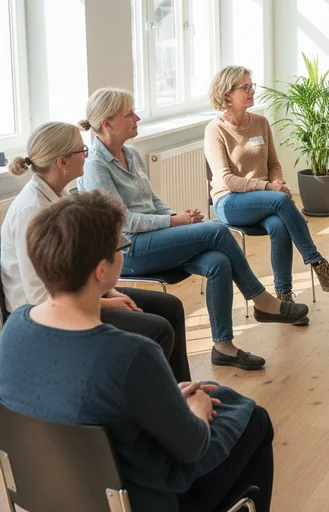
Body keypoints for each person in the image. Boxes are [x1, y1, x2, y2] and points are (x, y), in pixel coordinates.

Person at [0, 191, 274, 512]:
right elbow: (192, 447)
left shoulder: (14, 329)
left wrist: (168, 399)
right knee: (253, 418)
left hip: (51, 492)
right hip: (142, 500)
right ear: (101, 270)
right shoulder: (130, 353)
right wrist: (196, 410)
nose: (124, 253)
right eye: (122, 247)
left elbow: (79, 403)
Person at [78, 88, 308, 371]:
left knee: (217, 261)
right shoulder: (95, 166)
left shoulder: (131, 153)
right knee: (217, 232)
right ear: (107, 123)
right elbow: (121, 222)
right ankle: (261, 300)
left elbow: (152, 201)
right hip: (128, 249)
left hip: (156, 237)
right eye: (129, 114)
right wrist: (175, 222)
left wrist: (176, 216)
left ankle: (223, 347)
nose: (137, 117)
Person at [0, 122, 190, 381]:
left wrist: (110, 290)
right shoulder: (31, 211)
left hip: (76, 294)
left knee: (170, 306)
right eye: (82, 150)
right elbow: (37, 296)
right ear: (62, 162)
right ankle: (148, 408)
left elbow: (81, 260)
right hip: (44, 313)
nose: (87, 155)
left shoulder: (60, 194)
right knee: (158, 330)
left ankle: (182, 395)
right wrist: (107, 301)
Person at [204, 65, 329, 302]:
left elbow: (274, 164)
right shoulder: (215, 129)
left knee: (278, 225)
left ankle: (284, 297)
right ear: (227, 94)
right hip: (230, 201)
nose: (251, 91)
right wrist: (269, 188)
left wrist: (275, 181)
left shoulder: (261, 123)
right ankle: (321, 267)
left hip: (265, 201)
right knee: (280, 201)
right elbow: (226, 179)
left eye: (251, 85)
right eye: (244, 87)